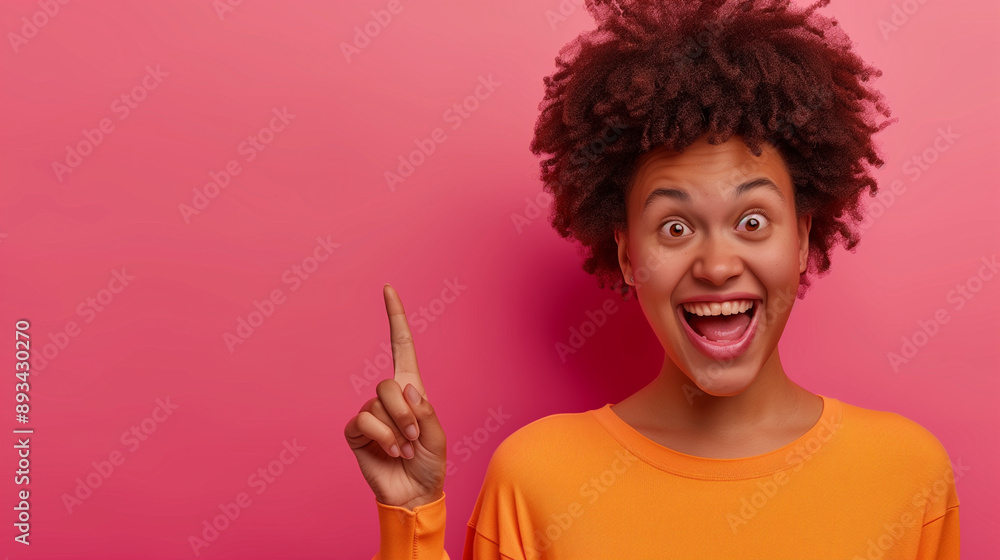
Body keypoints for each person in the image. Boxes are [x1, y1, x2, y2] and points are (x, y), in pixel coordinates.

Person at [344, 0, 961, 558]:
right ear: (627, 252)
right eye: (674, 227)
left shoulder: (907, 473)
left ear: (801, 238)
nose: (717, 266)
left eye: (751, 220)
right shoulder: (535, 477)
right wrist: (410, 517)